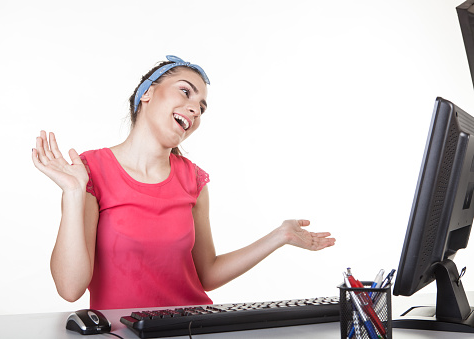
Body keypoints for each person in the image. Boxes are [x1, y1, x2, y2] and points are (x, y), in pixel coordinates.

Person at [32, 55, 336, 310]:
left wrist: (279, 235)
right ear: (147, 92)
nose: (195, 108)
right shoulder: (89, 171)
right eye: (186, 92)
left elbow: (206, 274)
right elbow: (70, 289)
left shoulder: (194, 180)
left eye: (202, 107)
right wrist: (73, 193)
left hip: (192, 327)